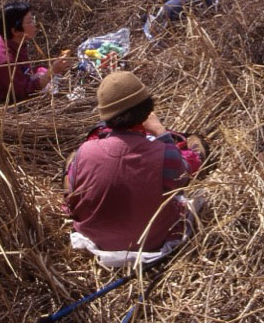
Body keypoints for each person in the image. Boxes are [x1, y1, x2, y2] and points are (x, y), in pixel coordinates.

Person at [65, 71, 206, 255]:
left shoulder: (85, 151)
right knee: (195, 149)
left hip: (95, 237)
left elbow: (74, 192)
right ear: (147, 110)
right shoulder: (165, 154)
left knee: (72, 161)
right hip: (151, 241)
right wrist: (161, 133)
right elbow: (184, 176)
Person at [0, 1, 71, 103]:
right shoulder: (4, 59)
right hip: (4, 105)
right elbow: (25, 93)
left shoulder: (12, 41)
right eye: (30, 21)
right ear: (15, 31)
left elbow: (24, 73)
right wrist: (52, 72)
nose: (34, 24)